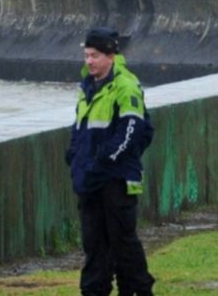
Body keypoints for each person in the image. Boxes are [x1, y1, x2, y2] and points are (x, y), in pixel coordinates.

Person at [66, 28, 155, 296]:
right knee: (93, 244)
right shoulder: (87, 88)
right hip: (89, 178)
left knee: (123, 242)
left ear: (110, 56)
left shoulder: (125, 86)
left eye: (94, 56)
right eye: (86, 56)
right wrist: (73, 154)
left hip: (116, 178)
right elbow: (80, 126)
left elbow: (132, 131)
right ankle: (94, 291)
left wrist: (105, 160)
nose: (89, 61)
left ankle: (138, 291)